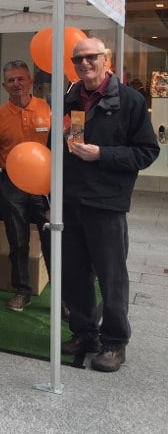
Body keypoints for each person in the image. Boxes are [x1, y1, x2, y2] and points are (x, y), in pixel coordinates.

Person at [60, 37, 158, 372]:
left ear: (106, 59)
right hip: (70, 199)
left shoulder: (130, 100)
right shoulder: (70, 98)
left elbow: (147, 152)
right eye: (78, 60)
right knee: (74, 274)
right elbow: (58, 147)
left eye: (91, 58)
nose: (84, 64)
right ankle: (85, 333)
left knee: (111, 277)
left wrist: (102, 154)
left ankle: (115, 343)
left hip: (106, 203)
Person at [0, 60, 51, 312]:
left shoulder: (48, 110)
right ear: (5, 85)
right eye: (11, 80)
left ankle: (63, 296)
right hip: (11, 185)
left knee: (53, 237)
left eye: (21, 79)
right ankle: (22, 289)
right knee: (17, 239)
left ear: (31, 82)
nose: (16, 84)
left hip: (44, 185)